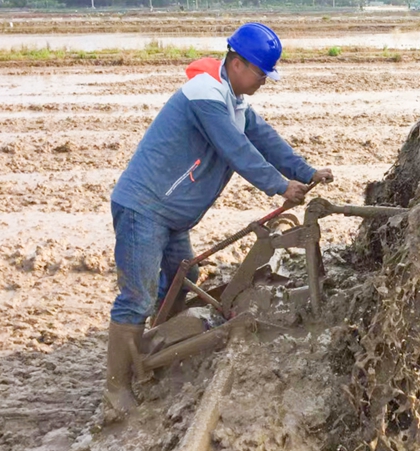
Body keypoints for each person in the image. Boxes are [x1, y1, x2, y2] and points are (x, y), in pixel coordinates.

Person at [103, 22, 333, 421]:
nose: (264, 81)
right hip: (145, 207)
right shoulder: (205, 95)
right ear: (238, 62)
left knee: (178, 278)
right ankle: (117, 388)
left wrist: (305, 170)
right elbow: (236, 149)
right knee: (136, 297)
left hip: (171, 214)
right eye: (261, 73)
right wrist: (280, 186)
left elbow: (264, 138)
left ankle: (153, 354)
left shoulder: (235, 99)